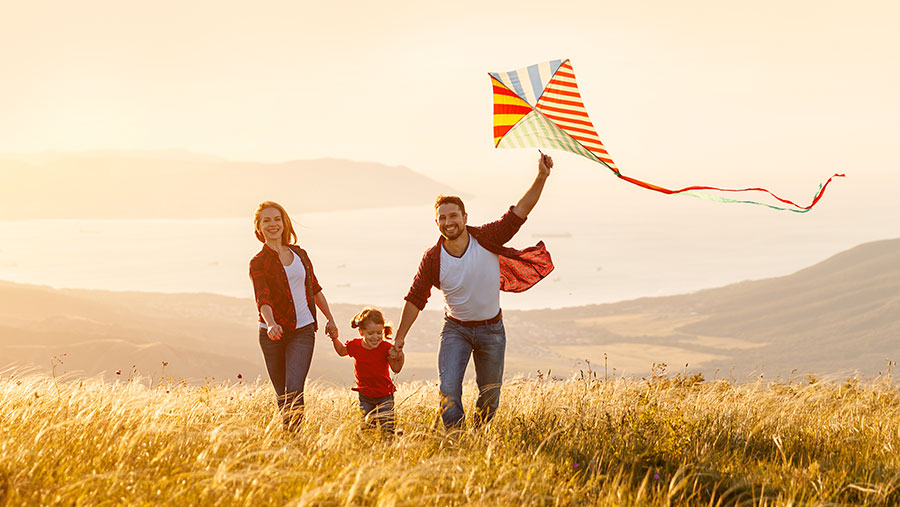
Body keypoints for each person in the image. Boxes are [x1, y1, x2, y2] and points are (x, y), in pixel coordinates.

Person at [392, 153, 554, 429]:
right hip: (456, 330)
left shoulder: (487, 237)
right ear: (437, 223)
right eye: (442, 218)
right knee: (449, 391)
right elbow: (415, 298)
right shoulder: (433, 258)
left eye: (453, 215)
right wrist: (399, 340)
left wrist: (541, 176)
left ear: (465, 217)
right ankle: (455, 439)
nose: (448, 221)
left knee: (490, 395)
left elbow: (519, 213)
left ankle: (480, 436)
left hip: (492, 330)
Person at [249, 201, 339, 430]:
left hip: (303, 330)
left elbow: (315, 288)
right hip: (272, 335)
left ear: (284, 222)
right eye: (266, 220)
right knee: (283, 396)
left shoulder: (300, 254)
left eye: (277, 219)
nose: (273, 224)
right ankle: (291, 440)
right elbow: (263, 297)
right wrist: (270, 324)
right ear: (259, 227)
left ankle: (292, 438)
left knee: (294, 389)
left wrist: (329, 318)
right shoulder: (258, 262)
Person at [331, 307, 405, 433]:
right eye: (371, 333)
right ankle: (369, 450)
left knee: (387, 429)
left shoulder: (386, 347)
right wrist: (334, 339)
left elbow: (396, 369)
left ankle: (389, 447)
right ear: (361, 332)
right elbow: (342, 351)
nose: (375, 337)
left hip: (385, 395)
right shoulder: (355, 346)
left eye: (379, 333)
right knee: (367, 429)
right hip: (365, 395)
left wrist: (400, 354)